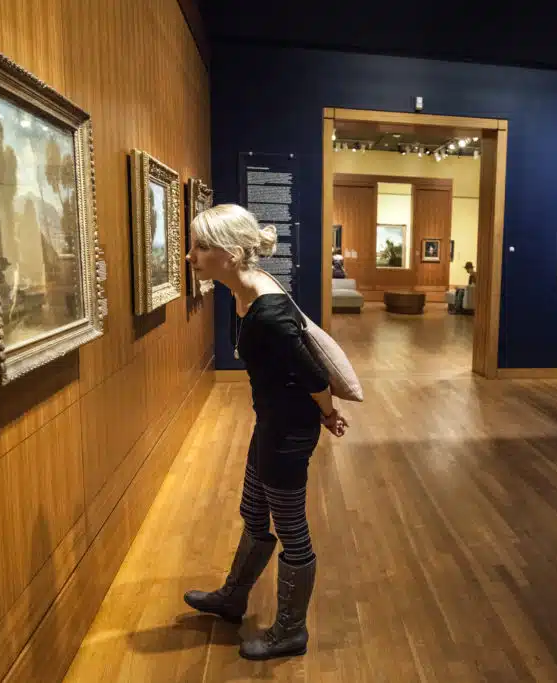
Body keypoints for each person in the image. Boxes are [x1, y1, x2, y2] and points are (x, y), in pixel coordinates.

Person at [183, 203, 349, 660]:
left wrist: (328, 413)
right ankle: (233, 598)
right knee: (253, 511)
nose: (190, 256)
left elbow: (313, 373)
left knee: (291, 528)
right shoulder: (245, 292)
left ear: (232, 254)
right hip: (271, 423)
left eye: (201, 247)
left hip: (287, 433)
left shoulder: (268, 311)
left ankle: (291, 631)